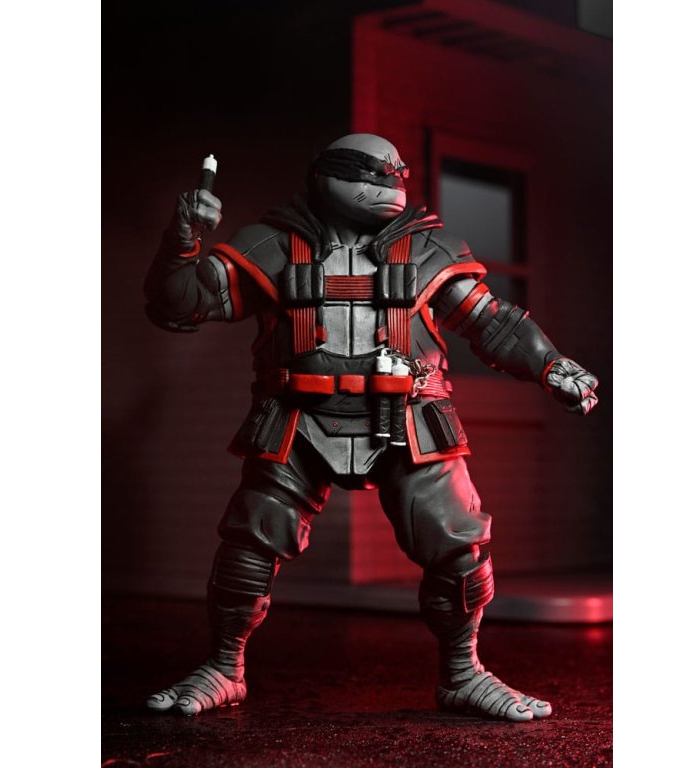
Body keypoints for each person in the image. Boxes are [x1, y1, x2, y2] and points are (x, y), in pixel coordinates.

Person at [143, 133, 598, 722]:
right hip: (299, 419)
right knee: (249, 546)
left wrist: (551, 365)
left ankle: (463, 673)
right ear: (326, 175)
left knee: (459, 547)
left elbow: (495, 324)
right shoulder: (272, 245)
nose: (388, 180)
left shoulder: (430, 250)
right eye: (370, 171)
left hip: (410, 417)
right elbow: (180, 303)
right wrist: (183, 239)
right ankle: (224, 667)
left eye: (395, 171)